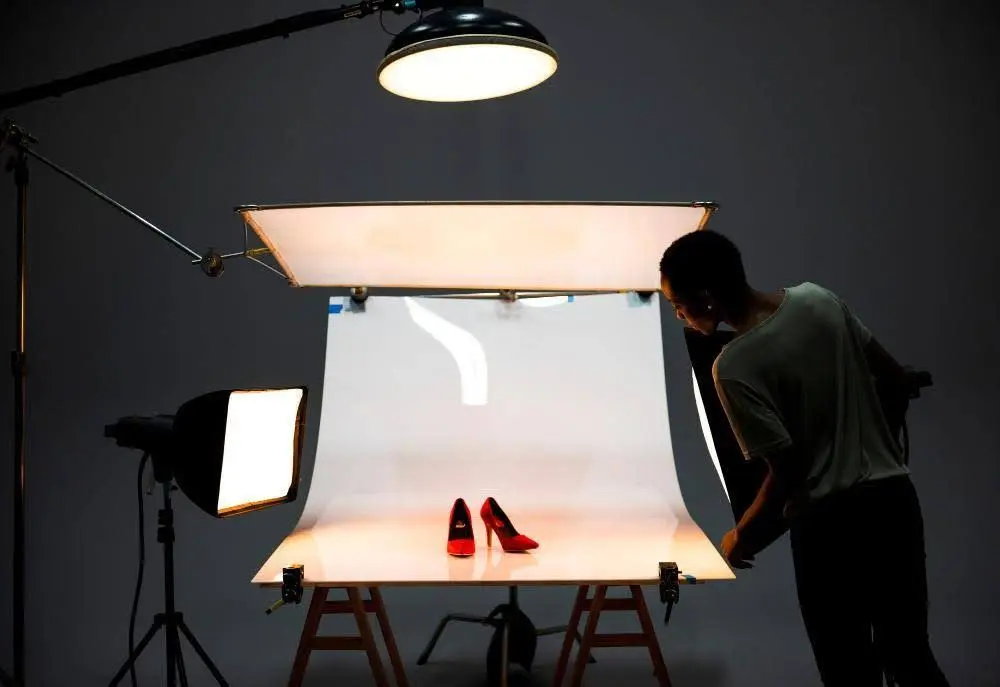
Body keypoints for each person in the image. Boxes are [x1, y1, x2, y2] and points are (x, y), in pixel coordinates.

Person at [658, 229, 950, 687]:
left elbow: (787, 473)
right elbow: (895, 380)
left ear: (707, 298)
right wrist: (867, 439)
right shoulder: (819, 300)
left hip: (828, 528)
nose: (678, 315)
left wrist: (740, 537)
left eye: (678, 304)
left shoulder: (733, 366)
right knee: (909, 654)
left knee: (848, 669)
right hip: (894, 505)